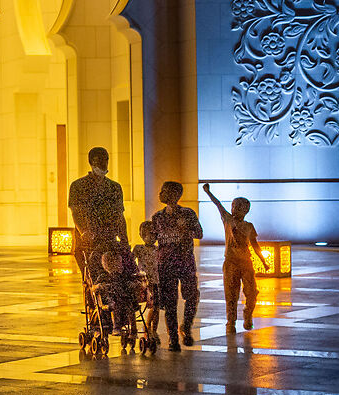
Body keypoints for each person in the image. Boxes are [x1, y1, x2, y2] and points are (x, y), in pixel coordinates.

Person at [141, 180, 204, 351]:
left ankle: (186, 326)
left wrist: (186, 229)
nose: (160, 194)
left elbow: (199, 233)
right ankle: (173, 338)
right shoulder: (158, 217)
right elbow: (150, 239)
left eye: (164, 191)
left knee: (191, 296)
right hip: (165, 265)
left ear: (175, 194)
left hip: (185, 263)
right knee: (170, 303)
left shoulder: (188, 214)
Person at [201, 182, 260, 333]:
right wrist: (208, 192)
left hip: (246, 263)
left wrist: (263, 261)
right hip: (231, 263)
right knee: (231, 294)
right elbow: (218, 204)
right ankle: (231, 321)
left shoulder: (249, 226)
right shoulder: (227, 219)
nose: (233, 209)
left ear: (246, 210)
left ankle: (248, 313)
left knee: (252, 293)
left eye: (238, 207)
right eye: (233, 206)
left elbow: (254, 244)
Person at [66, 147, 126, 283]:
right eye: (99, 160)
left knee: (117, 273)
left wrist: (124, 238)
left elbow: (119, 215)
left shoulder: (114, 187)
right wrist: (84, 231)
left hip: (108, 237)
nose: (103, 164)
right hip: (88, 240)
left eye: (105, 160)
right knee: (91, 275)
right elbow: (76, 212)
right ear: (91, 162)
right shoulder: (78, 186)